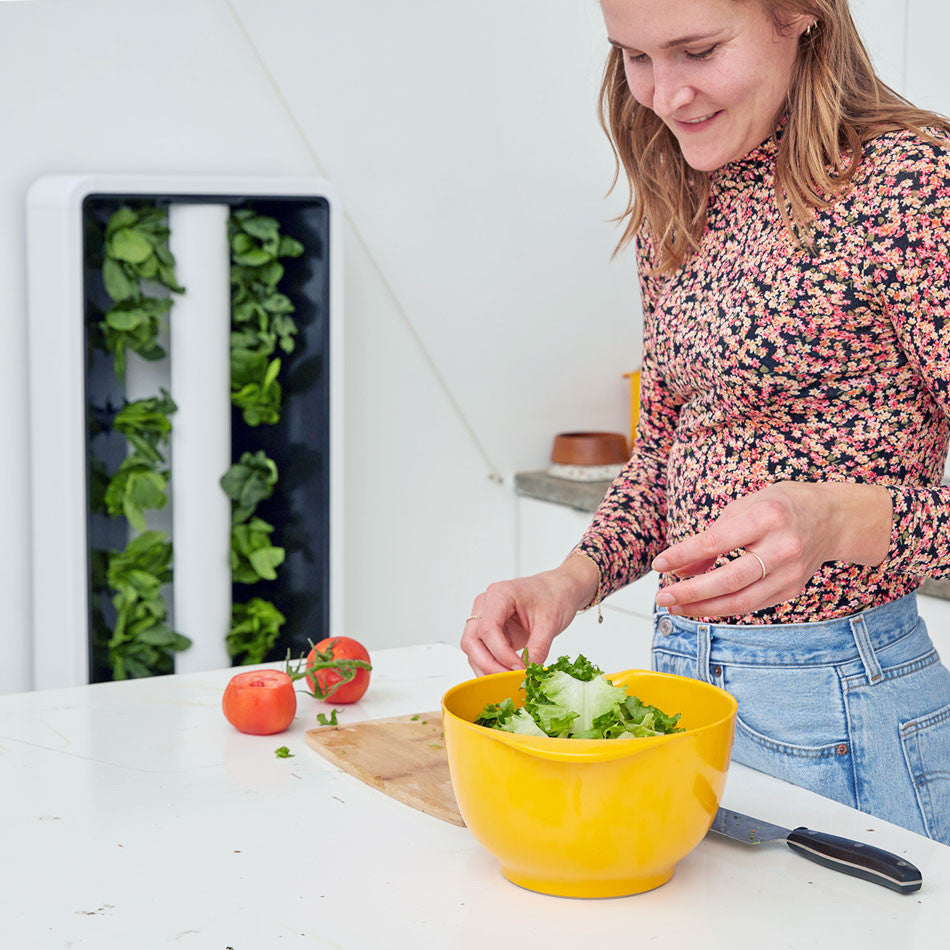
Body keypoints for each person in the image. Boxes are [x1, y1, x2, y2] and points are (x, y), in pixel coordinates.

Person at [460, 0, 950, 846]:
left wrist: (837, 519)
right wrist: (568, 581)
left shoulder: (909, 187)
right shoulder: (686, 181)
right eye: (633, 57)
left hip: (841, 703)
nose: (663, 94)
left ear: (800, 16)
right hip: (685, 689)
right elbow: (668, 455)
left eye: (696, 50)